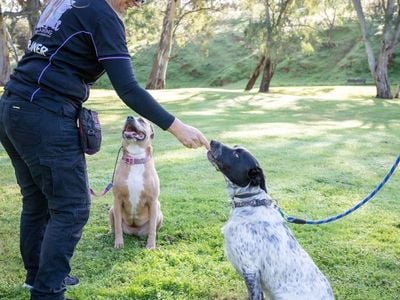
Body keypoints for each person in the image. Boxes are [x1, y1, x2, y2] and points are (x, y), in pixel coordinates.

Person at [0, 0, 209, 299]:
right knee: (71, 208)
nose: (138, 3)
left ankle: (38, 277)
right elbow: (128, 88)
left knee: (38, 200)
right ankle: (47, 290)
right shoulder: (103, 13)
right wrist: (176, 127)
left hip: (12, 107)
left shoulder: (64, 2)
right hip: (44, 114)